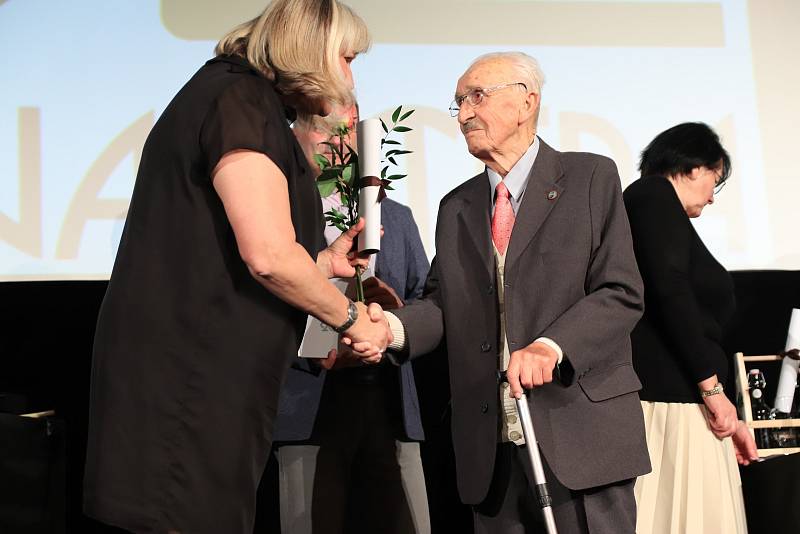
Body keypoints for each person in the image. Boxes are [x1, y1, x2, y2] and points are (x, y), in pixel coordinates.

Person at [82, 2, 390, 533]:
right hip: (190, 382)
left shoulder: (238, 97)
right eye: (346, 58)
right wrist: (352, 319)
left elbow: (225, 247)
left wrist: (320, 262)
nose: (348, 78)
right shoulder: (238, 99)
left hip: (202, 376)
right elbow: (268, 256)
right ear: (309, 51)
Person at [366, 51, 651, 533]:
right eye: (458, 102)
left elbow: (620, 290)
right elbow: (442, 303)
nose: (463, 114)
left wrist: (551, 345)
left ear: (527, 103)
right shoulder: (456, 206)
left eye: (477, 97)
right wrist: (390, 328)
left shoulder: (589, 177)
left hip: (580, 432)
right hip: (490, 445)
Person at [269, 107, 432, 534]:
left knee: (407, 521)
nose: (335, 145)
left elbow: (425, 300)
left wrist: (392, 317)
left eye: (345, 135)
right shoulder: (276, 216)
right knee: (307, 521)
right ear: (295, 142)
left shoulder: (395, 216)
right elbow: (260, 304)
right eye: (321, 133)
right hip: (310, 395)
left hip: (388, 395)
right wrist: (317, 340)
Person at [623, 122, 759, 534]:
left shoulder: (657, 207)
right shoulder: (652, 193)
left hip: (687, 403)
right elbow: (670, 290)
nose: (712, 197)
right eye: (714, 181)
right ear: (693, 166)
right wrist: (713, 390)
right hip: (671, 405)